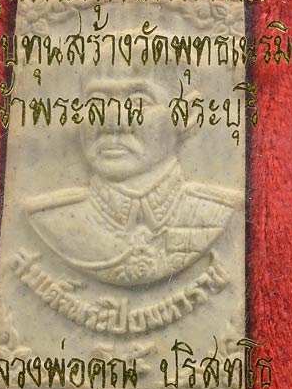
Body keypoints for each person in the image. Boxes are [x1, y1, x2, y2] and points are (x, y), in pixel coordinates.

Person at [26, 56, 242, 287]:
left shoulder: (217, 214)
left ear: (186, 115)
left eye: (139, 102)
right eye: (96, 102)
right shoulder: (48, 221)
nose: (113, 123)